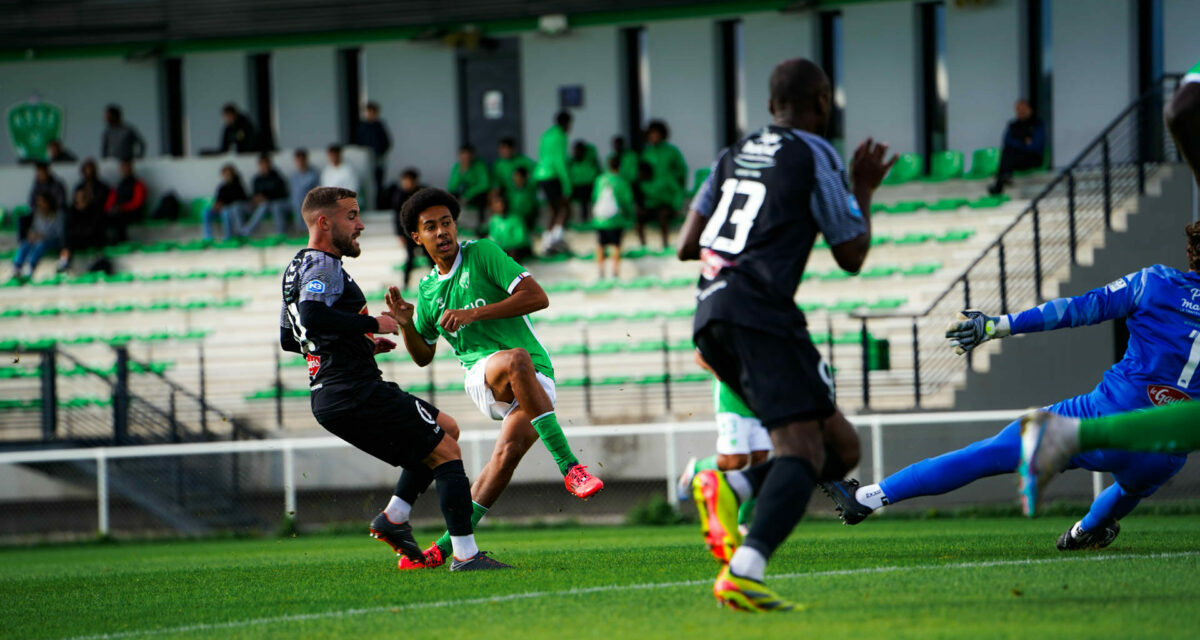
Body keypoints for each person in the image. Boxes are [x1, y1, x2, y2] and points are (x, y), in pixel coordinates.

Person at [676, 57, 893, 611]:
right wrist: (863, 186)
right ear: (823, 102)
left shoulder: (733, 153)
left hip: (708, 313)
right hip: (760, 310)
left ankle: (733, 486)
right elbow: (852, 254)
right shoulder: (816, 153)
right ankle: (743, 570)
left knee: (839, 447)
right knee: (802, 448)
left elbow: (685, 244)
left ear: (772, 107)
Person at [827, 249, 1196, 551]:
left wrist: (995, 326)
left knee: (986, 454)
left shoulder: (1155, 282)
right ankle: (1085, 531)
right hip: (1166, 446)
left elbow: (1077, 309)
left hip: (1101, 419)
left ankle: (868, 498)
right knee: (1130, 487)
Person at [279, 186, 509, 572]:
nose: (360, 224)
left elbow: (293, 337)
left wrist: (361, 345)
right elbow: (313, 316)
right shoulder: (323, 265)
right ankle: (466, 557)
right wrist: (372, 323)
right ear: (324, 222)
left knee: (444, 431)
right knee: (446, 452)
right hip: (352, 389)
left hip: (335, 390)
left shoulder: (296, 267)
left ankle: (395, 516)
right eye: (351, 216)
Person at [1017, 63, 1200, 516]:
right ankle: (1072, 438)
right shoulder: (1158, 284)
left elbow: (1183, 109)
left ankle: (1074, 457)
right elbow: (1183, 108)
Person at [390, 187, 604, 569]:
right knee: (515, 359)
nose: (442, 232)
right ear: (416, 237)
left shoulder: (483, 253)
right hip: (484, 376)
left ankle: (443, 549)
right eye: (430, 227)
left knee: (503, 461)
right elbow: (423, 356)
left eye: (447, 222)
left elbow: (537, 297)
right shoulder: (426, 290)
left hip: (538, 381)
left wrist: (474, 314)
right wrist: (407, 325)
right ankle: (571, 467)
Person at [676, 378, 772, 535]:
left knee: (760, 462)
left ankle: (740, 522)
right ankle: (697, 468)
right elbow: (702, 357)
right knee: (735, 461)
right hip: (731, 401)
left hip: (758, 401)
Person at [638, 120, 687, 249]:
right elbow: (642, 176)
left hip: (668, 200)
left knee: (663, 216)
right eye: (651, 134)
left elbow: (681, 174)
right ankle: (643, 246)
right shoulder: (646, 153)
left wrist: (677, 197)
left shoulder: (672, 152)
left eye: (656, 134)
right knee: (639, 216)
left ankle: (665, 244)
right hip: (651, 200)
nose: (653, 137)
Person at [532, 111, 573, 254]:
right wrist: (567, 186)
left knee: (555, 211)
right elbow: (560, 161)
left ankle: (549, 241)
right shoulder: (560, 136)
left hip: (541, 175)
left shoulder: (547, 135)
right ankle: (551, 242)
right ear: (566, 123)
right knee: (564, 210)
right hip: (552, 175)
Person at [987, 99, 1045, 195]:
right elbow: (1006, 141)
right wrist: (1023, 142)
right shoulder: (1013, 125)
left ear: (1029, 109)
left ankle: (1000, 183)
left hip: (1033, 158)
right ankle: (1005, 177)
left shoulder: (1037, 124)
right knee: (1008, 152)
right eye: (1018, 109)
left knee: (1008, 153)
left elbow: (1035, 146)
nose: (1020, 112)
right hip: (1015, 158)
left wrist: (1018, 143)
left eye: (1023, 109)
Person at [590, 154, 635, 280]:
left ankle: (600, 273)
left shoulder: (600, 180)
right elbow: (626, 201)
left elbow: (594, 197)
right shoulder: (621, 181)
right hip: (615, 220)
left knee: (600, 246)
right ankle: (615, 273)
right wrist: (630, 216)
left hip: (599, 221)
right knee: (615, 246)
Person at [63, 159, 110, 268]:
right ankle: (64, 261)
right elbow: (69, 229)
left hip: (92, 237)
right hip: (78, 238)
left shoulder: (97, 206)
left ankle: (99, 259)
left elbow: (95, 228)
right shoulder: (73, 210)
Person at [388, 168, 428, 290]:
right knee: (410, 258)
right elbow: (396, 217)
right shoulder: (399, 196)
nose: (406, 183)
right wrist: (400, 234)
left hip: (423, 231)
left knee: (430, 255)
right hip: (409, 234)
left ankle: (441, 277)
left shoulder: (423, 193)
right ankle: (405, 283)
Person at [12, 194, 65, 280]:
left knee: (40, 244)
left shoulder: (58, 215)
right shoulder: (38, 215)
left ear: (49, 203)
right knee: (26, 243)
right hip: (38, 239)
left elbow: (60, 234)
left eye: (42, 203)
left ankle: (30, 266)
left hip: (54, 241)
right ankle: (17, 267)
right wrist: (32, 235)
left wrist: (43, 236)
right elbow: (34, 229)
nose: (40, 206)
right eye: (39, 203)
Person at [242, 152, 293, 236]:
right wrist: (256, 200)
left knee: (272, 206)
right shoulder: (257, 179)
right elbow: (254, 195)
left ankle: (281, 233)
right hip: (261, 206)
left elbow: (282, 194)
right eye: (262, 164)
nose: (263, 166)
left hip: (275, 203)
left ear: (269, 164)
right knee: (259, 205)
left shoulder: (277, 177)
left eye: (265, 164)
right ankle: (245, 231)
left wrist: (267, 198)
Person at [355, 102, 392, 208]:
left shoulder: (380, 125)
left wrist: (379, 153)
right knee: (366, 184)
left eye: (373, 112)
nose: (371, 114)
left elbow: (387, 142)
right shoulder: (362, 126)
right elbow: (358, 142)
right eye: (369, 112)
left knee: (378, 183)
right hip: (365, 161)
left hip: (378, 160)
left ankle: (379, 205)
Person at [446, 144, 490, 234]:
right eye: (463, 156)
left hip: (475, 195)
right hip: (462, 195)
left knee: (482, 196)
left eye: (468, 156)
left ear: (473, 156)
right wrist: (461, 173)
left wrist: (468, 195)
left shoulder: (480, 165)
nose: (466, 159)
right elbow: (451, 186)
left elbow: (484, 184)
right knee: (450, 196)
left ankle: (481, 224)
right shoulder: (457, 167)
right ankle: (453, 220)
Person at [202, 164, 250, 242]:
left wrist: (223, 205)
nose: (226, 176)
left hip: (230, 210)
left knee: (225, 211)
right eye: (224, 174)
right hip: (220, 209)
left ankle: (228, 236)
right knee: (206, 212)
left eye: (228, 174)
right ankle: (208, 237)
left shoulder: (238, 186)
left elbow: (240, 201)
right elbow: (218, 200)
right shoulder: (222, 187)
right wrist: (216, 205)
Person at [102, 159, 146, 243]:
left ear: (131, 169)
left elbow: (137, 203)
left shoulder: (138, 184)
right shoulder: (118, 186)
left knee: (120, 219)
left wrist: (122, 208)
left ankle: (122, 242)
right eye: (123, 168)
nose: (125, 170)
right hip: (118, 212)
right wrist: (111, 209)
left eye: (127, 167)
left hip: (132, 213)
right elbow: (109, 202)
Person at [486, 189, 532, 263]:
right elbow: (493, 238)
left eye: (501, 202)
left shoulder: (516, 218)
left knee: (512, 251)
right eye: (496, 202)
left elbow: (520, 239)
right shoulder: (494, 220)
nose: (500, 205)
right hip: (502, 248)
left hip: (518, 248)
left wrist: (503, 244)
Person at [568, 140, 601, 222]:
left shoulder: (590, 161)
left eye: (579, 150)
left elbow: (598, 173)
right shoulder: (571, 162)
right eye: (575, 150)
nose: (576, 152)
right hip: (575, 187)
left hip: (589, 187)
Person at [289, 149, 320, 231]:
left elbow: (317, 191)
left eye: (302, 160)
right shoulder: (294, 176)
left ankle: (304, 229)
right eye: (298, 160)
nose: (300, 162)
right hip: (295, 202)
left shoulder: (313, 174)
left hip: (310, 202)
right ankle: (282, 233)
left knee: (301, 204)